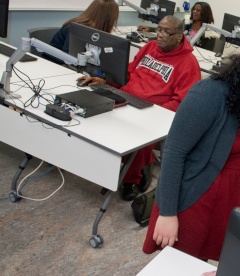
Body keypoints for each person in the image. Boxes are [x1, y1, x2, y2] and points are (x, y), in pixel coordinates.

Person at [142, 41, 240, 262]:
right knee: (178, 262)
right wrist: (168, 213)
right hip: (196, 192)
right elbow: (174, 153)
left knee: (202, 260)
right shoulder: (211, 94)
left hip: (231, 193)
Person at [77, 15, 202, 201]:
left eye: (166, 32)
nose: (160, 35)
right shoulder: (150, 47)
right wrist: (106, 80)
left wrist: (153, 112)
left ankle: (132, 179)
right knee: (91, 109)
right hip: (127, 98)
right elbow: (129, 71)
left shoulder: (189, 64)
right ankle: (99, 167)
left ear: (179, 36)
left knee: (139, 138)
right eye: (159, 29)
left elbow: (182, 103)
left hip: (153, 112)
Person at [48, 0, 119, 63]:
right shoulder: (78, 28)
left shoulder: (96, 31)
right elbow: (69, 54)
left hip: (72, 64)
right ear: (109, 17)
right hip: (56, 63)